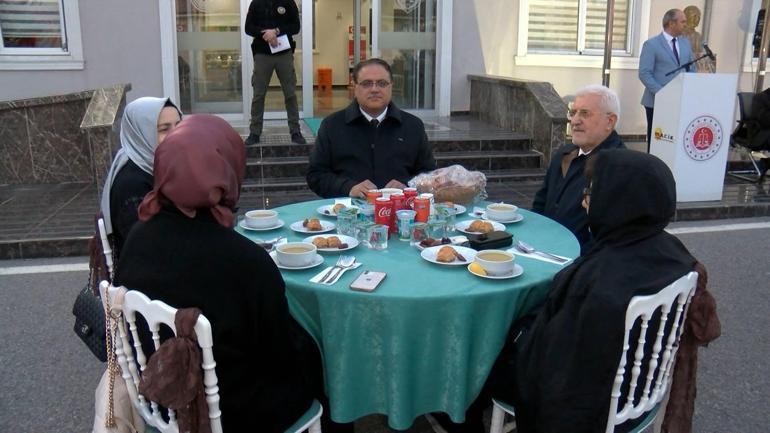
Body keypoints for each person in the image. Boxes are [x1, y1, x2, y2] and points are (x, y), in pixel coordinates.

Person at [114, 114, 322, 432]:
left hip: (162, 397)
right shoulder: (245, 261)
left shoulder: (138, 236)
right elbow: (279, 355)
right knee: (319, 359)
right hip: (234, 411)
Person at [490, 149, 719, 432]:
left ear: (618, 201)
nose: (585, 201)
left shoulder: (598, 283)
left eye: (592, 192)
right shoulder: (673, 251)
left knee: (491, 347)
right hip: (642, 387)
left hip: (599, 405)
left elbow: (557, 375)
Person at [306, 58, 436, 198]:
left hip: (401, 212)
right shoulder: (332, 125)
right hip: (348, 212)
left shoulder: (412, 126)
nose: (375, 89)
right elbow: (316, 175)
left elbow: (430, 175)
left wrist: (408, 185)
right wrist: (349, 188)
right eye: (367, 84)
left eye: (382, 83)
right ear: (354, 87)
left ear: (391, 86)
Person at [532, 84, 625, 250]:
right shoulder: (564, 154)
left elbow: (610, 234)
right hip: (543, 250)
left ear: (610, 121)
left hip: (579, 263)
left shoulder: (619, 167)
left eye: (585, 113)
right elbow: (541, 203)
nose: (574, 121)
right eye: (573, 113)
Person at [99, 96, 181, 258]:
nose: (176, 134)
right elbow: (147, 247)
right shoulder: (132, 184)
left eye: (179, 126)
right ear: (140, 133)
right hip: (144, 276)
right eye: (164, 129)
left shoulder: (153, 165)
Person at [244, 0, 306, 145]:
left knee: (290, 93)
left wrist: (276, 31)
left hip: (284, 53)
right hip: (262, 54)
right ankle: (254, 132)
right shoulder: (256, 3)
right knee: (259, 94)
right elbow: (248, 28)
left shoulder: (288, 2)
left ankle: (295, 131)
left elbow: (295, 27)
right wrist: (266, 33)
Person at [640, 8, 694, 151]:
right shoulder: (651, 44)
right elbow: (644, 73)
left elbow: (691, 68)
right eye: (683, 21)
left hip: (680, 101)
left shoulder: (685, 43)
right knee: (658, 140)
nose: (685, 25)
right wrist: (662, 93)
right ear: (671, 23)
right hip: (657, 101)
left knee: (675, 140)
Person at [682, 5, 715, 73]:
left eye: (698, 17)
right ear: (687, 16)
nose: (697, 19)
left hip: (697, 71)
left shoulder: (698, 36)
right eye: (694, 16)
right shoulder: (678, 34)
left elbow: (701, 54)